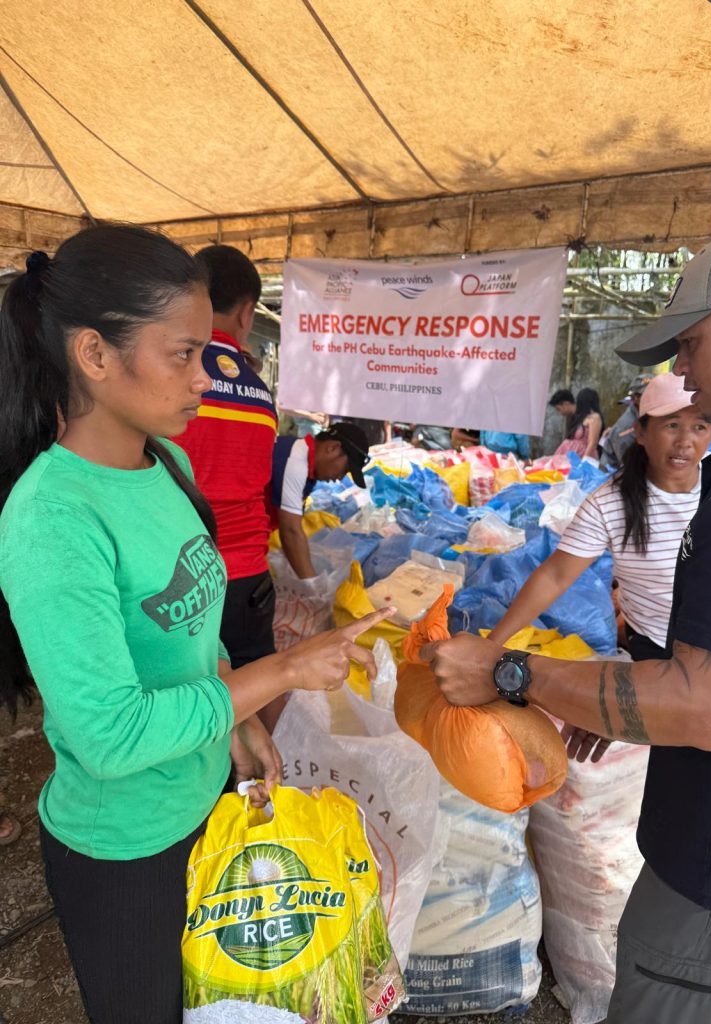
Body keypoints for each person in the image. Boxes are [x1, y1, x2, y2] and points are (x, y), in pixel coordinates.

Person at [0, 227, 390, 1024]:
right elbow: (108, 737)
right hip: (126, 850)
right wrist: (278, 674)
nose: (204, 379)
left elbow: (195, 631)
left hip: (202, 801)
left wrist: (239, 719)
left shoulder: (164, 466)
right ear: (95, 355)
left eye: (206, 352)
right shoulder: (53, 516)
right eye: (181, 354)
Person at [424, 224, 711, 1023]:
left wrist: (508, 671)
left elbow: (705, 706)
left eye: (688, 342)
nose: (681, 371)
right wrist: (619, 694)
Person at [489, 374, 711, 676]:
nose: (686, 441)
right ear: (641, 432)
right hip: (659, 651)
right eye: (671, 425)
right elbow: (555, 576)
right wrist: (490, 646)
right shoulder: (610, 503)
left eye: (700, 426)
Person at [173, 246, 279, 712]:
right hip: (246, 575)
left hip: (178, 577)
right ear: (247, 312)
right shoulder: (261, 393)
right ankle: (255, 784)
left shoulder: (170, 377)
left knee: (186, 699)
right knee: (252, 690)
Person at [271, 422, 370, 579]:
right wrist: (313, 587)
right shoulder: (295, 461)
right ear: (333, 448)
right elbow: (290, 532)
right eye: (345, 470)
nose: (339, 478)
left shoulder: (302, 462)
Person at [599, 374, 653, 471]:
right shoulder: (626, 431)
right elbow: (630, 470)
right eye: (648, 395)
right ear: (635, 398)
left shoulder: (653, 414)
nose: (655, 398)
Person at [553, 387, 604, 461]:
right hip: (574, 456)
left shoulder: (595, 418)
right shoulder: (580, 418)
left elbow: (592, 443)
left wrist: (583, 461)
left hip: (584, 457)